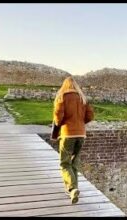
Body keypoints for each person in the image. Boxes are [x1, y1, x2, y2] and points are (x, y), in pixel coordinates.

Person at [53, 76, 94, 204]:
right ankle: (74, 190)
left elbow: (58, 118)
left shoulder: (62, 97)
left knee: (65, 163)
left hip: (68, 134)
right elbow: (90, 116)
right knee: (74, 162)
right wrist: (80, 124)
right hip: (81, 135)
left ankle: (71, 188)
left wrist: (59, 125)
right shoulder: (83, 98)